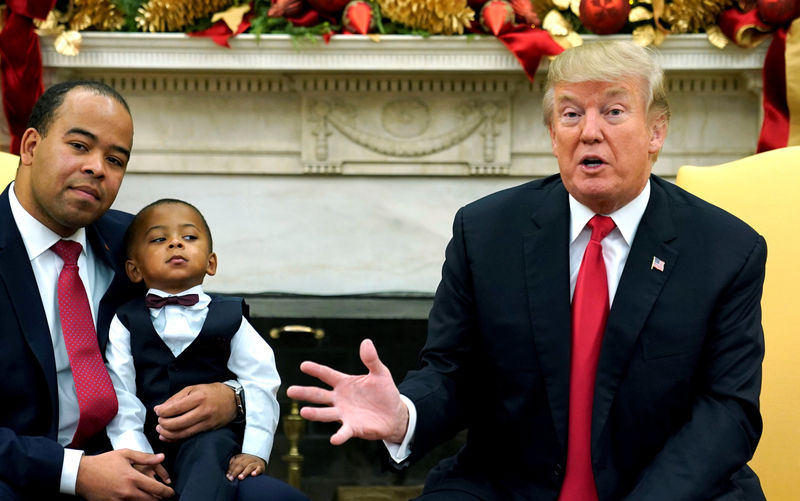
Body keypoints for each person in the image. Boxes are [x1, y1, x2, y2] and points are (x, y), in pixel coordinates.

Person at [287, 40, 767, 500]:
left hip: (668, 487)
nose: (590, 132)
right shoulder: (486, 231)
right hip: (508, 484)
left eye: (614, 112)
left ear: (656, 131)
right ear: (553, 135)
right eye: (571, 114)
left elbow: (728, 411)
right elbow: (453, 371)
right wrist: (406, 414)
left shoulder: (726, 249)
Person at [0, 80, 308, 501]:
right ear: (31, 146)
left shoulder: (140, 241)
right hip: (23, 472)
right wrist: (76, 473)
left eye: (115, 159)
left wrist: (232, 398)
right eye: (79, 146)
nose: (97, 168)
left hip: (152, 461)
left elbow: (211, 337)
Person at [105, 198, 281, 501]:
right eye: (159, 239)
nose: (175, 244)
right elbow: (120, 391)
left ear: (211, 262)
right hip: (147, 438)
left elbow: (261, 380)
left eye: (189, 237)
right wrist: (135, 452)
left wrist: (256, 449)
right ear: (134, 270)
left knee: (208, 461)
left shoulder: (231, 317)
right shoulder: (124, 320)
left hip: (211, 438)